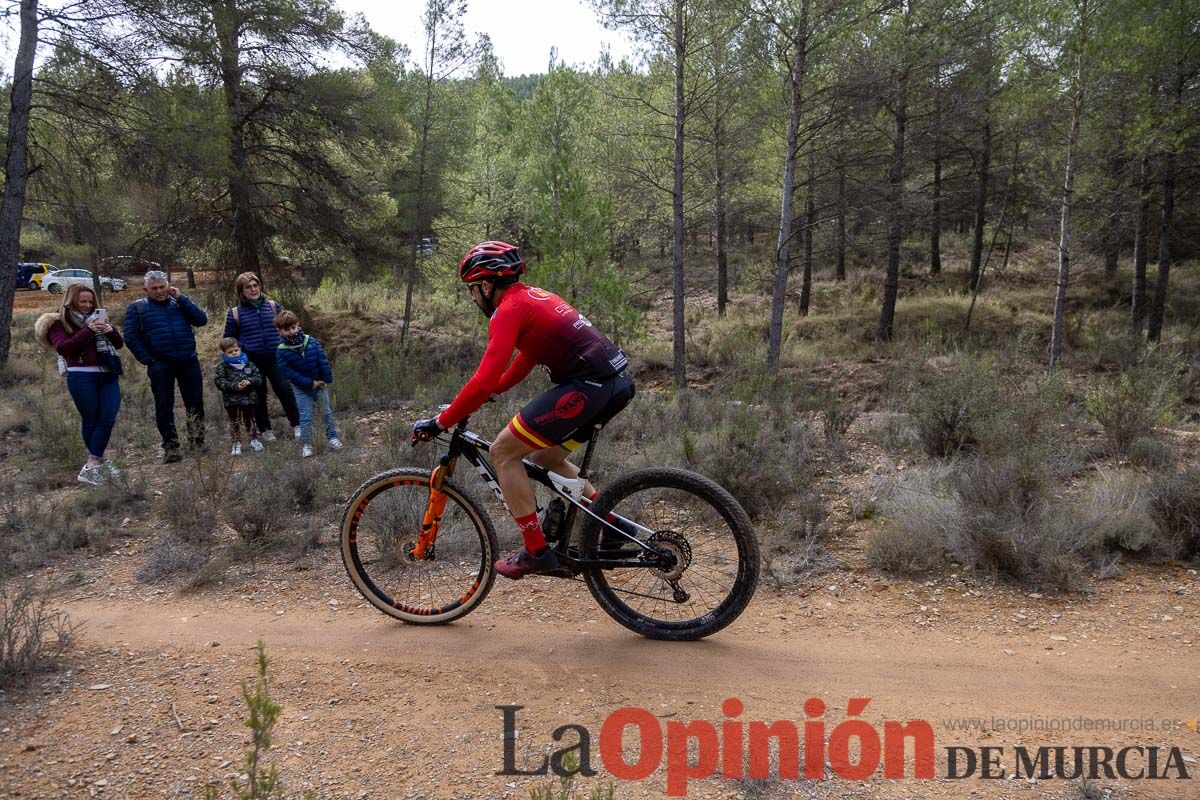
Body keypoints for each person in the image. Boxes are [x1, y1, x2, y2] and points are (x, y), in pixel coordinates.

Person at [411, 241, 635, 580]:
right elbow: (529, 355)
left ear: (486, 286)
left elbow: (482, 379)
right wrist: (498, 389)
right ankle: (612, 525)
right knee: (545, 455)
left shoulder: (509, 310)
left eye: (472, 290)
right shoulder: (534, 297)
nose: (473, 298)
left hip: (589, 387)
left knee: (503, 451)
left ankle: (535, 549)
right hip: (616, 383)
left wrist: (442, 422)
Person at [36, 284, 125, 485]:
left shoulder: (99, 317)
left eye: (90, 301)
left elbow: (119, 344)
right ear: (71, 301)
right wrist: (87, 330)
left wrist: (110, 331)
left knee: (108, 416)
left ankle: (93, 463)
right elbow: (64, 348)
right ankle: (96, 464)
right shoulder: (58, 322)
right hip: (81, 375)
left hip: (108, 373)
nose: (87, 305)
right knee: (91, 419)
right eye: (82, 301)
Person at [122, 270, 208, 463]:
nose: (159, 291)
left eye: (163, 287)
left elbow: (201, 320)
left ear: (169, 286)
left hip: (188, 360)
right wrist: (149, 360)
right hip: (160, 364)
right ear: (146, 289)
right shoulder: (137, 309)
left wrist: (182, 298)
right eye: (154, 288)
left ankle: (197, 442)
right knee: (164, 406)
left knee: (195, 403)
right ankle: (171, 447)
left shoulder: (179, 303)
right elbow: (131, 337)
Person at [222, 272, 301, 442]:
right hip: (252, 361)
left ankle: (297, 425)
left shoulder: (273, 306)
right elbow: (229, 339)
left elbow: (286, 329)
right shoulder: (235, 313)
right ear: (241, 291)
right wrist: (238, 353)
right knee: (258, 394)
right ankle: (265, 430)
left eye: (255, 285)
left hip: (276, 357)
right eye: (248, 287)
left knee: (284, 388)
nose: (253, 289)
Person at [274, 311, 342, 458]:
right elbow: (288, 373)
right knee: (305, 416)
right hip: (302, 388)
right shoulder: (281, 351)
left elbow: (322, 360)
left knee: (326, 412)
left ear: (298, 325)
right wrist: (310, 383)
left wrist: (325, 379)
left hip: (321, 385)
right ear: (279, 330)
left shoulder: (310, 341)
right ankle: (307, 444)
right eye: (287, 329)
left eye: (293, 327)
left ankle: (333, 437)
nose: (291, 332)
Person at [214, 337, 264, 456]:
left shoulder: (249, 364)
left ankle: (253, 439)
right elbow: (219, 382)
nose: (234, 353)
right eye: (230, 352)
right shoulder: (223, 367)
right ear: (224, 353)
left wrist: (250, 381)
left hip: (249, 398)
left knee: (251, 420)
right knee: (234, 421)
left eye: (236, 350)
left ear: (239, 349)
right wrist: (235, 386)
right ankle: (236, 443)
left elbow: (259, 378)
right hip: (232, 401)